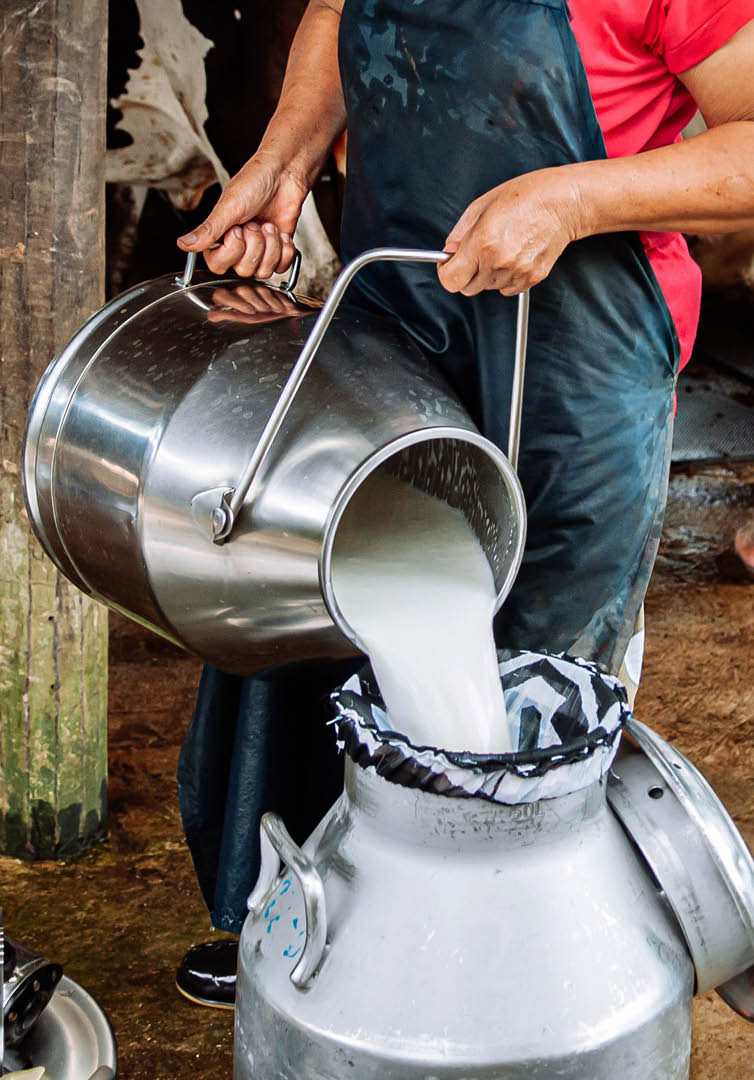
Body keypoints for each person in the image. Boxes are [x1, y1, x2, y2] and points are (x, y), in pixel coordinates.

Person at [173, 0, 754, 1008]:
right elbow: (334, 13)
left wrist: (573, 199)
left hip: (582, 342)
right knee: (319, 604)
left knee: (541, 660)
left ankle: (506, 967)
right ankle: (309, 925)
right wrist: (285, 157)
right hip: (395, 308)